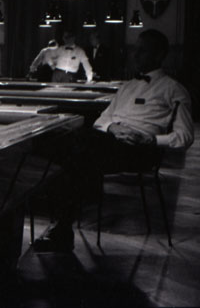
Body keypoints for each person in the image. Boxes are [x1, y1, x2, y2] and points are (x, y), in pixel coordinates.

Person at [33, 29, 194, 252]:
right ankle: (62, 226)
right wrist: (113, 127)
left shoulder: (175, 90)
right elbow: (101, 120)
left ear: (159, 55)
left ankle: (62, 228)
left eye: (142, 50)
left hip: (140, 151)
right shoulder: (127, 87)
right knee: (66, 145)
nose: (135, 55)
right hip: (109, 141)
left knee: (74, 152)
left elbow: (185, 136)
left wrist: (151, 139)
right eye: (136, 49)